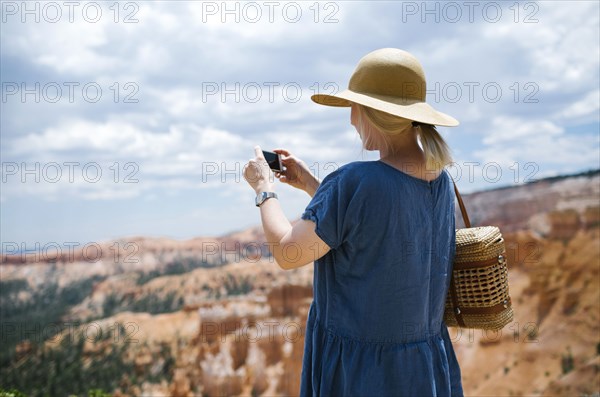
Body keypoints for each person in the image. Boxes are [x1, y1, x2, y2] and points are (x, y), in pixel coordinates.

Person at [243, 48, 464, 396]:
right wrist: (312, 185)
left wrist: (264, 188)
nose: (350, 119)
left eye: (354, 108)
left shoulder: (355, 181)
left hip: (362, 375)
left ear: (373, 112)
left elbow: (287, 253)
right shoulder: (441, 181)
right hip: (424, 369)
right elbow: (369, 225)